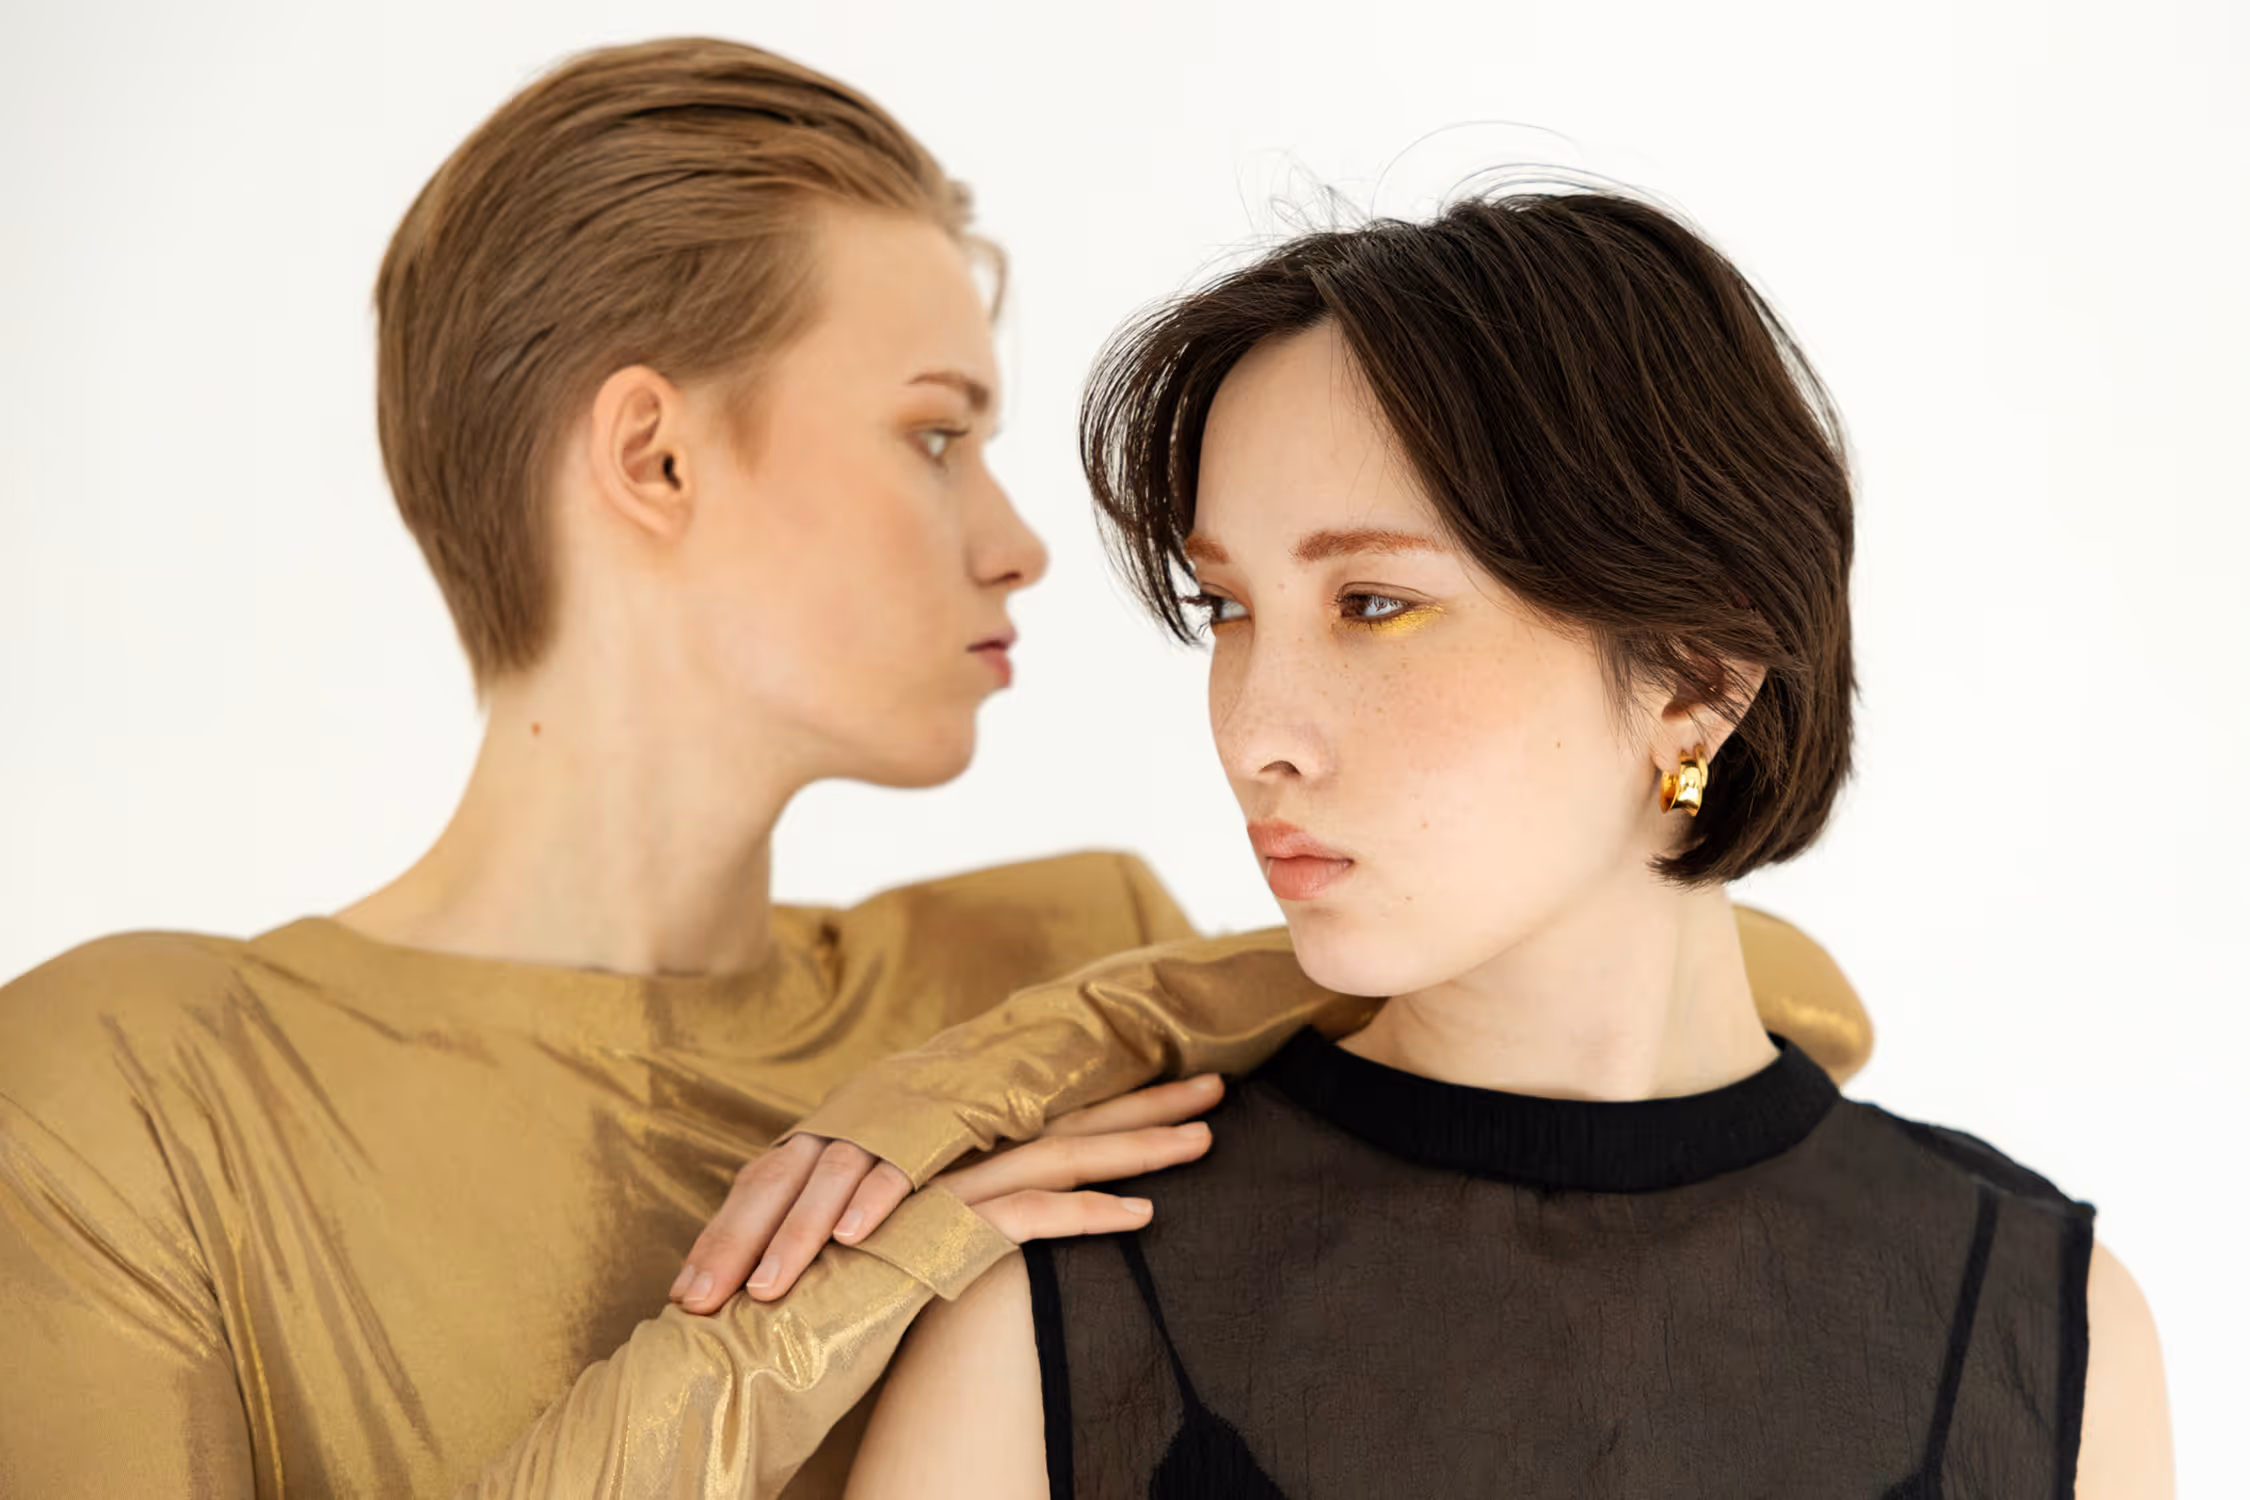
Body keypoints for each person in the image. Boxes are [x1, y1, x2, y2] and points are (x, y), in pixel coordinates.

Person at [0, 39, 1873, 1500]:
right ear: (654, 459)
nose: (1020, 541)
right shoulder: (140, 1086)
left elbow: (1721, 1007)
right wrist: (796, 1320)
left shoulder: (1052, 965)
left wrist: (992, 1066)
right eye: (934, 435)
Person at [841, 192, 2175, 1497]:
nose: (1253, 734)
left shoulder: (2040, 1326)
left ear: (1696, 674)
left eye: (1373, 603)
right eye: (1228, 607)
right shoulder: (1057, 1301)